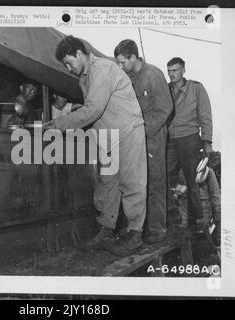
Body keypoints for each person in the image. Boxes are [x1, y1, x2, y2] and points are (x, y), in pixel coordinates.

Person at [44, 36, 147, 255]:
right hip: (109, 135)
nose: (68, 68)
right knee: (106, 184)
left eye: (68, 62)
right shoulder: (85, 78)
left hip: (128, 130)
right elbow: (95, 111)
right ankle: (106, 232)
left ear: (79, 54)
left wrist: (60, 123)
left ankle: (134, 233)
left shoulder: (102, 69)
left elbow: (93, 110)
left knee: (132, 183)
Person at [114, 40, 173, 244]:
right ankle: (137, 227)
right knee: (136, 182)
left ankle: (157, 229)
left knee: (155, 181)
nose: (119, 66)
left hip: (152, 137)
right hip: (134, 138)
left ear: (133, 57)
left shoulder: (153, 74)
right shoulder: (128, 78)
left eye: (122, 62)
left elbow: (165, 108)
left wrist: (145, 131)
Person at [166, 57, 213, 231]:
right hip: (170, 140)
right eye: (169, 70)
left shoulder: (196, 88)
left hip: (190, 139)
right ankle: (173, 216)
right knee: (162, 175)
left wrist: (207, 142)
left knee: (192, 182)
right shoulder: (166, 89)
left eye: (175, 70)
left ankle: (198, 222)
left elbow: (205, 115)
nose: (172, 74)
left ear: (184, 70)